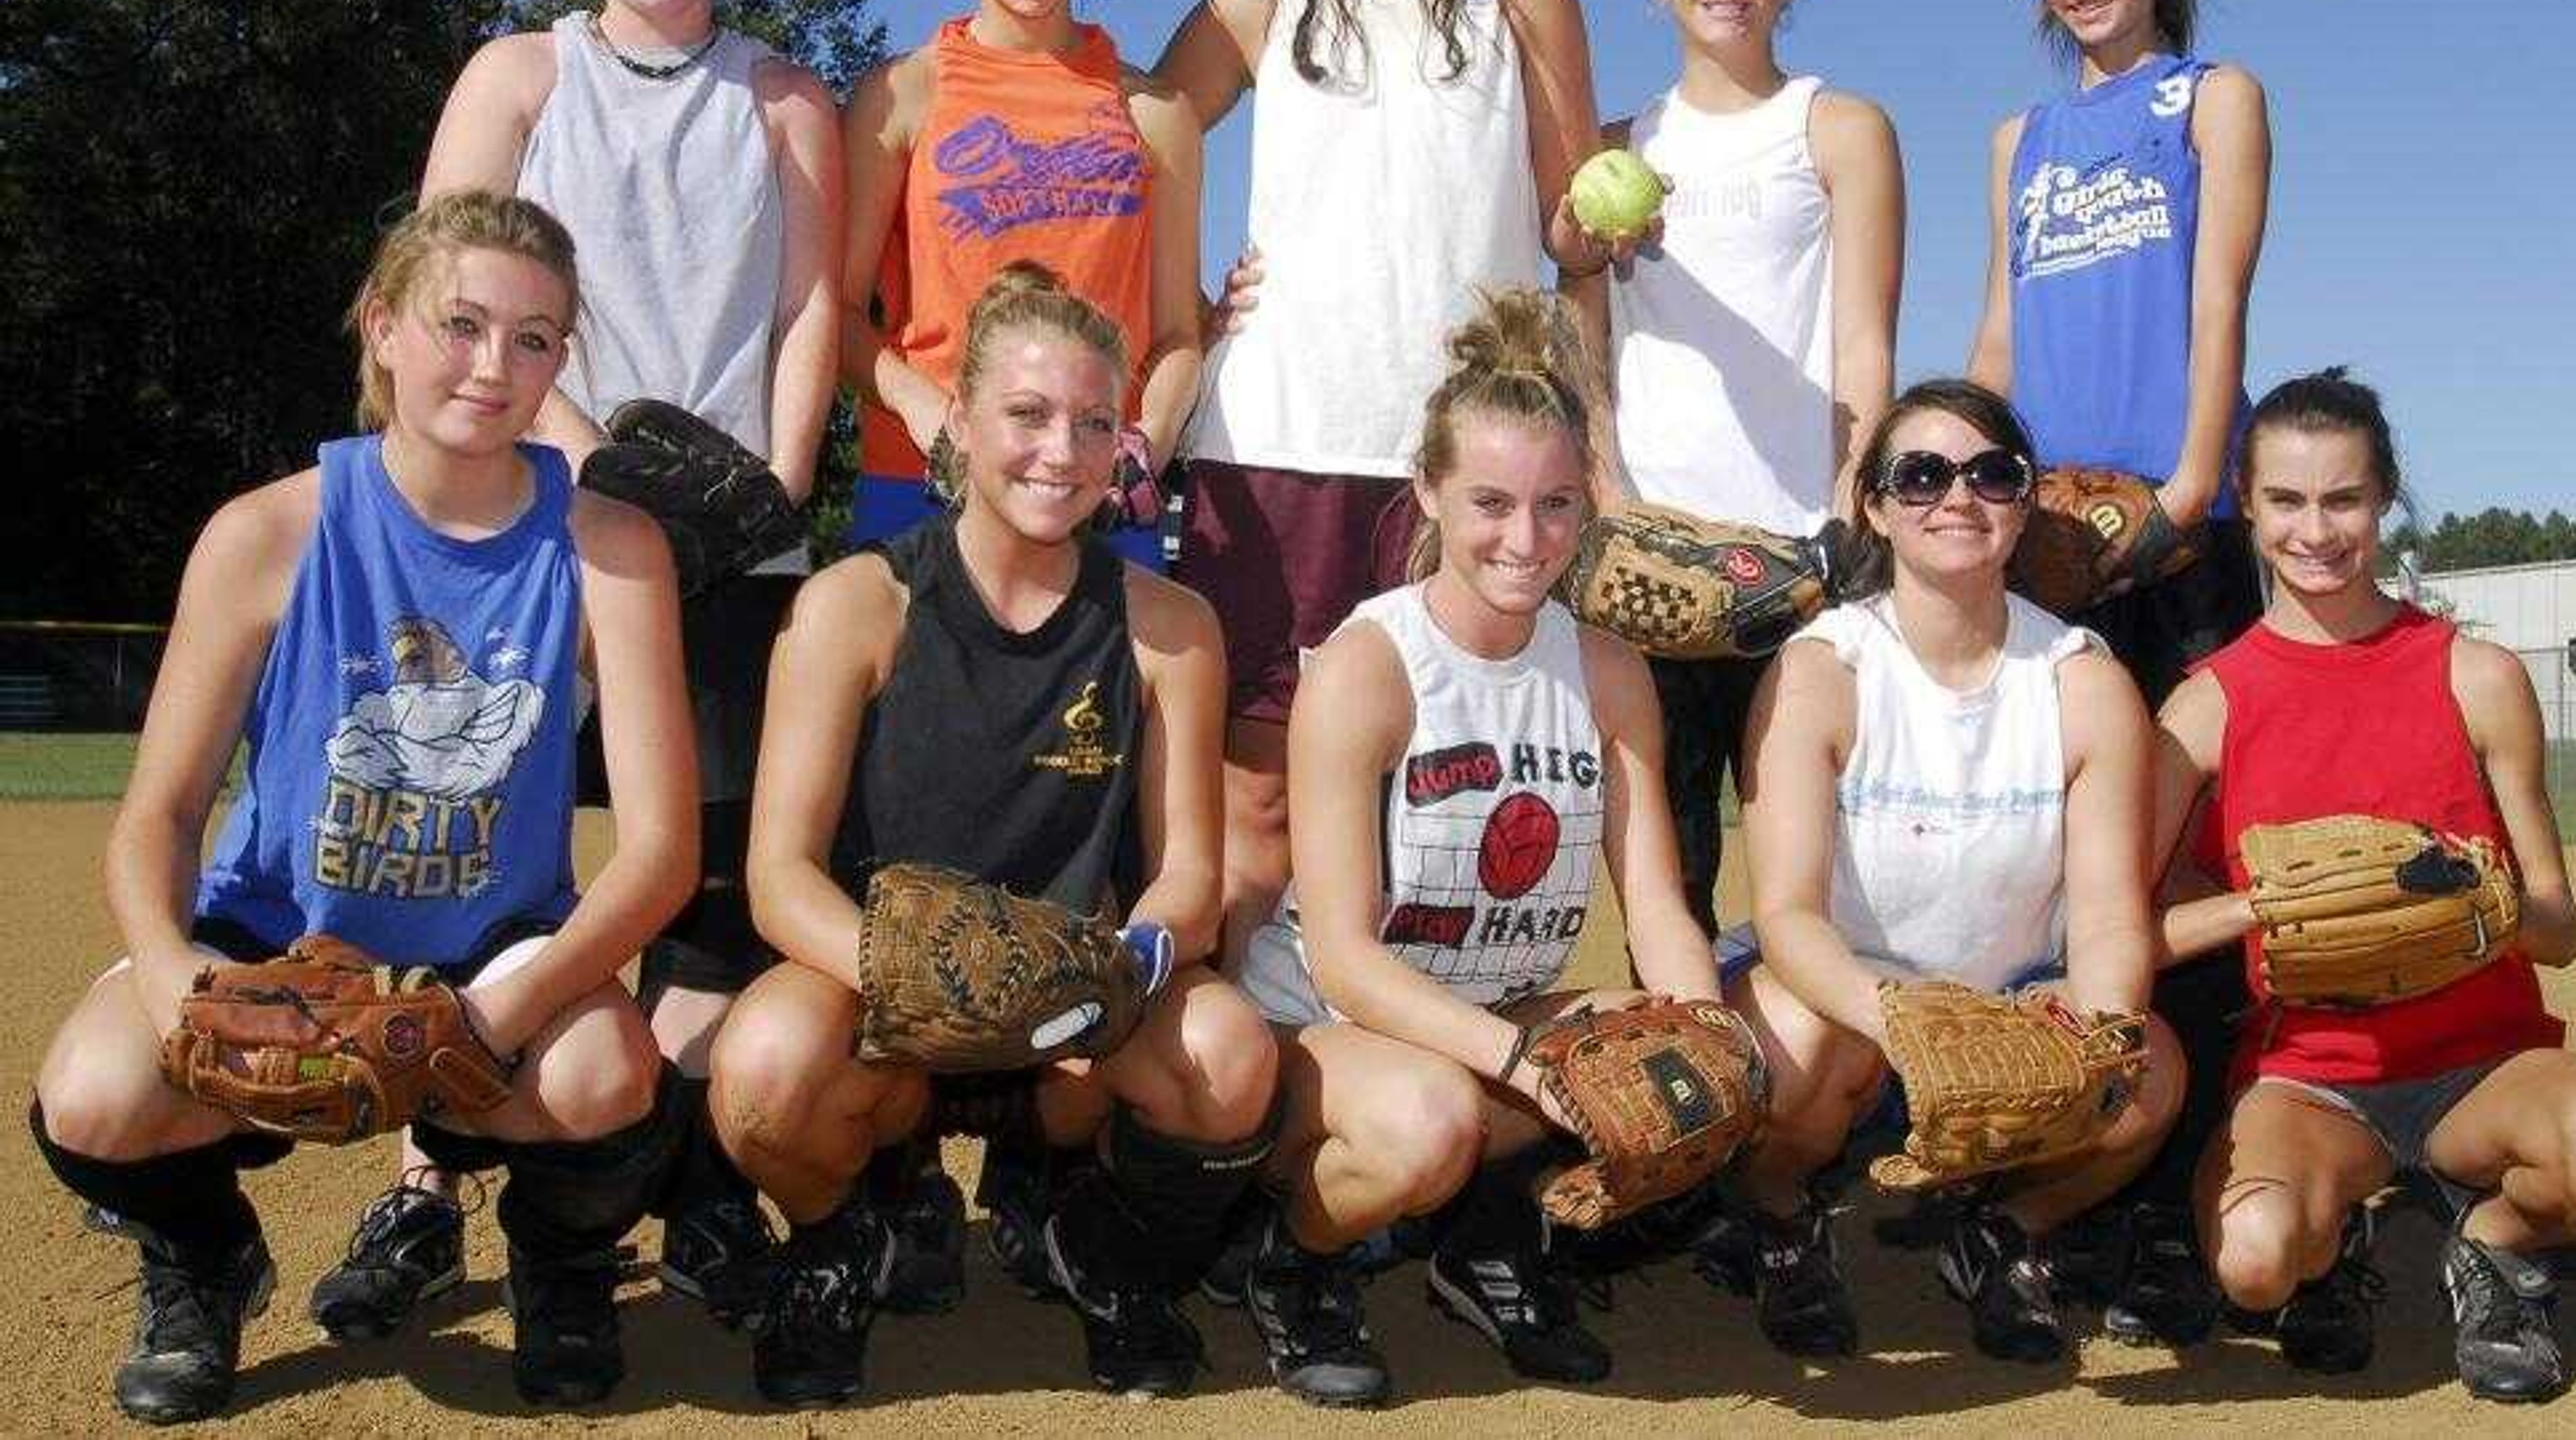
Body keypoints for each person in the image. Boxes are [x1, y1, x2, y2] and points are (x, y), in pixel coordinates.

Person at [30, 193, 699, 1421]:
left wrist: (503, 1008)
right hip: (281, 945)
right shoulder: (267, 533)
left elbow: (659, 847)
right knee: (93, 1097)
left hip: (491, 948)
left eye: (536, 337)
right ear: (383, 327)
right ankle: (205, 1257)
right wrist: (178, 972)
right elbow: (161, 814)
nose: (496, 366)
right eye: (461, 323)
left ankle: (559, 1271)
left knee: (606, 1071)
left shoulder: (608, 544)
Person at [344, 0, 839, 1336]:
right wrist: (590, 465)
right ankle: (436, 1171)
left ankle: (682, 1179)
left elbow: (815, 303)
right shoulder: (520, 73)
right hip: (541, 530)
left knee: (703, 873)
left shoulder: (781, 95)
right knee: (501, 846)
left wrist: (783, 481)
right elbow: (447, 286)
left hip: (739, 540)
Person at [706, 264, 1279, 1407]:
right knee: (763, 1071)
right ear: (958, 421)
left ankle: (1086, 1226)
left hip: (1075, 1018)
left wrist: (1114, 972)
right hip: (885, 1002)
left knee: (1230, 1055)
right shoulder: (856, 605)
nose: (1058, 451)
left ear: (1124, 439)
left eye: (1091, 421)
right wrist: (932, 979)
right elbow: (777, 874)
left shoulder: (1171, 628)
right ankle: (840, 1241)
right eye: (1025, 415)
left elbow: (1188, 880)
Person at [1153, 0, 1620, 970]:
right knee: (1258, 812)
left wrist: (1615, 218)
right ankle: (1221, 1119)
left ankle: (1404, 1106)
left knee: (1438, 813)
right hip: (1280, 443)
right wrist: (1179, 310)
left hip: (1464, 470)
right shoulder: (1255, 1)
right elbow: (1136, 135)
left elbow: (1571, 224)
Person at [1233, 288, 1764, 1405]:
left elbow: (1660, 904)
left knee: (1708, 1058)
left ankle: (1485, 1241)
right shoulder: (1371, 663)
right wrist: (1522, 1063)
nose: (1526, 539)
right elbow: (1343, 957)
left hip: (1498, 1009)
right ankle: (1295, 1258)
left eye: (1557, 503)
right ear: (1427, 488)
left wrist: (1705, 1045)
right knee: (1434, 1117)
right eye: (1490, 501)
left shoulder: (1606, 667)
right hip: (1328, 1026)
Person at [2155, 370, 2576, 1401]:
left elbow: (2562, 929)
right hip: (2311, 1071)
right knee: (2256, 1257)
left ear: (2383, 496)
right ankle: (2336, 1233)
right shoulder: (2205, 704)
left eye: (2343, 497)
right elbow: (2141, 927)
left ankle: (2492, 1237)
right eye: (2287, 500)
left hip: (2482, 1059)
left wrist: (2465, 904)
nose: (2317, 530)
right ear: (2244, 505)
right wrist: (2287, 904)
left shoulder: (2476, 673)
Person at [1963, 0, 2271, 1339]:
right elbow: (2005, 338)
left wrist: (2195, 489)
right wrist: (1968, 481)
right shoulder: (2020, 133)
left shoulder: (2210, 97)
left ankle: (2177, 1200)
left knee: (2187, 870)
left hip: (2177, 540)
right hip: (2052, 548)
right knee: (2061, 871)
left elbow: (2217, 296)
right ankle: (2070, 1171)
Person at [1728, 378, 2184, 1365]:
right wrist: (1913, 1029)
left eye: (1992, 472)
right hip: (1854, 991)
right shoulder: (1822, 669)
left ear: (2024, 503)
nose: (1958, 496)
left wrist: (2091, 1042)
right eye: (1922, 473)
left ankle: (2006, 1229)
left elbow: (2108, 919)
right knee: (1799, 1045)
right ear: (1877, 507)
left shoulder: (2085, 679)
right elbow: (1788, 913)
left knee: (2144, 1073)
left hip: (2009, 995)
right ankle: (1777, 1215)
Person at [1600, 0, 1902, 934]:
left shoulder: (1841, 127)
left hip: (1798, 558)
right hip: (1651, 560)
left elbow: (1866, 339)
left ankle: (1816, 1096)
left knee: (1809, 869)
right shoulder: (1612, 148)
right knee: (1665, 867)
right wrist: (1608, 504)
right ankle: (1688, 1086)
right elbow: (1582, 351)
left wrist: (1849, 511)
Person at [839, 0, 1204, 567]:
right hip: (924, 483)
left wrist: (1146, 439)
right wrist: (934, 416)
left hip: (1094, 490)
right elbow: (835, 315)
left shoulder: (1156, 113)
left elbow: (1179, 330)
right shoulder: (901, 95)